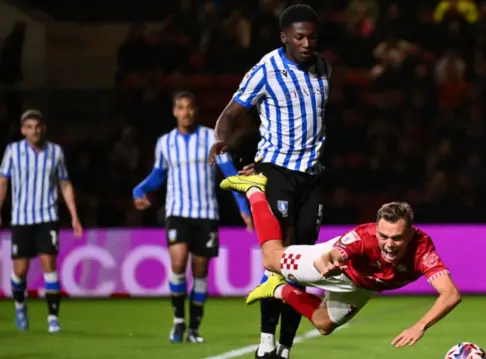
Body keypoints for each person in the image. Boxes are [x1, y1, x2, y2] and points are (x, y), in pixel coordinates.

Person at [208, 4, 331, 359]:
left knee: (305, 266)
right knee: (280, 258)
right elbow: (229, 115)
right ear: (284, 38)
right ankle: (265, 343)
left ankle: (285, 348)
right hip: (277, 171)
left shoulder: (325, 68)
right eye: (299, 37)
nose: (307, 43)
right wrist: (223, 145)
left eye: (312, 36)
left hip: (312, 176)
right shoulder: (266, 69)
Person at [220, 174, 462, 348]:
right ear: (376, 230)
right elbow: (333, 255)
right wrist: (326, 263)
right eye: (383, 236)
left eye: (397, 238)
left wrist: (419, 326)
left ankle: (278, 289)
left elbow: (450, 294)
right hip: (340, 270)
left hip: (363, 286)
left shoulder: (422, 248)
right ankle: (254, 190)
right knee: (270, 258)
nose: (388, 244)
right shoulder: (362, 238)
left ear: (410, 233)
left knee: (324, 325)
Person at [132, 91, 253, 344]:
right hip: (177, 212)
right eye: (181, 108)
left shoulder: (212, 137)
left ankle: (195, 328)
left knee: (200, 271)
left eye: (189, 107)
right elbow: (158, 175)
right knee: (177, 264)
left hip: (206, 214)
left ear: (196, 110)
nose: (185, 112)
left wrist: (243, 206)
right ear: (174, 112)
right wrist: (139, 189)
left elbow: (228, 172)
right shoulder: (165, 142)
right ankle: (178, 322)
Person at [0, 109, 83, 333]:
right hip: (21, 218)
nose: (34, 131)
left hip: (48, 217)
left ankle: (53, 318)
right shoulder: (13, 151)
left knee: (49, 266)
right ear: (23, 130)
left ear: (43, 128)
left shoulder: (55, 152)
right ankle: (20, 305)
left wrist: (74, 216)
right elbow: (3, 182)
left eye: (38, 127)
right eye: (29, 127)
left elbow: (64, 183)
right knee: (20, 270)